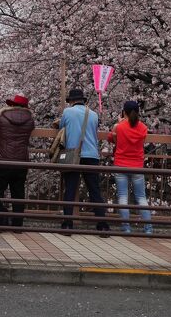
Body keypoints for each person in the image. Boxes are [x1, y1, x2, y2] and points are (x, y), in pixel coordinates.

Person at [56, 89, 110, 235]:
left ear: (71, 101)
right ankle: (102, 225)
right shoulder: (93, 114)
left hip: (73, 154)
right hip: (91, 155)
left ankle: (67, 224)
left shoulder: (68, 112)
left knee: (70, 189)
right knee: (94, 190)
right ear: (84, 100)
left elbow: (62, 129)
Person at [0, 94, 35, 228]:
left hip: (2, 160)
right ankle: (17, 225)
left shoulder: (2, 118)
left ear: (11, 105)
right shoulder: (30, 120)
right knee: (18, 193)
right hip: (21, 162)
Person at [107, 101, 152, 234]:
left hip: (121, 164)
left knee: (122, 196)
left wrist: (118, 124)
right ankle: (148, 228)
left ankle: (126, 227)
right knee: (141, 197)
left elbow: (110, 138)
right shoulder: (143, 128)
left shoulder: (119, 127)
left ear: (124, 112)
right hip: (137, 165)